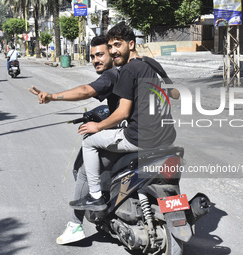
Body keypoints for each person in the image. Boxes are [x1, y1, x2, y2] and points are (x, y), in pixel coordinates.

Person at [69, 23, 178, 212]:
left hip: (139, 137)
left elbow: (122, 113)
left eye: (118, 45)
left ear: (131, 44)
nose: (113, 51)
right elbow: (175, 93)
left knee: (89, 141)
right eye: (110, 47)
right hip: (167, 136)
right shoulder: (151, 63)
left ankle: (95, 195)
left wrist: (98, 126)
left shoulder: (128, 70)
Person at [29, 36, 120, 245]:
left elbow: (86, 90)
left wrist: (52, 96)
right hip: (152, 132)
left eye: (100, 54)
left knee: (85, 172)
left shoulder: (111, 75)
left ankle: (75, 225)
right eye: (92, 56)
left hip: (127, 134)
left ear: (112, 53)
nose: (96, 59)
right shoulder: (133, 69)